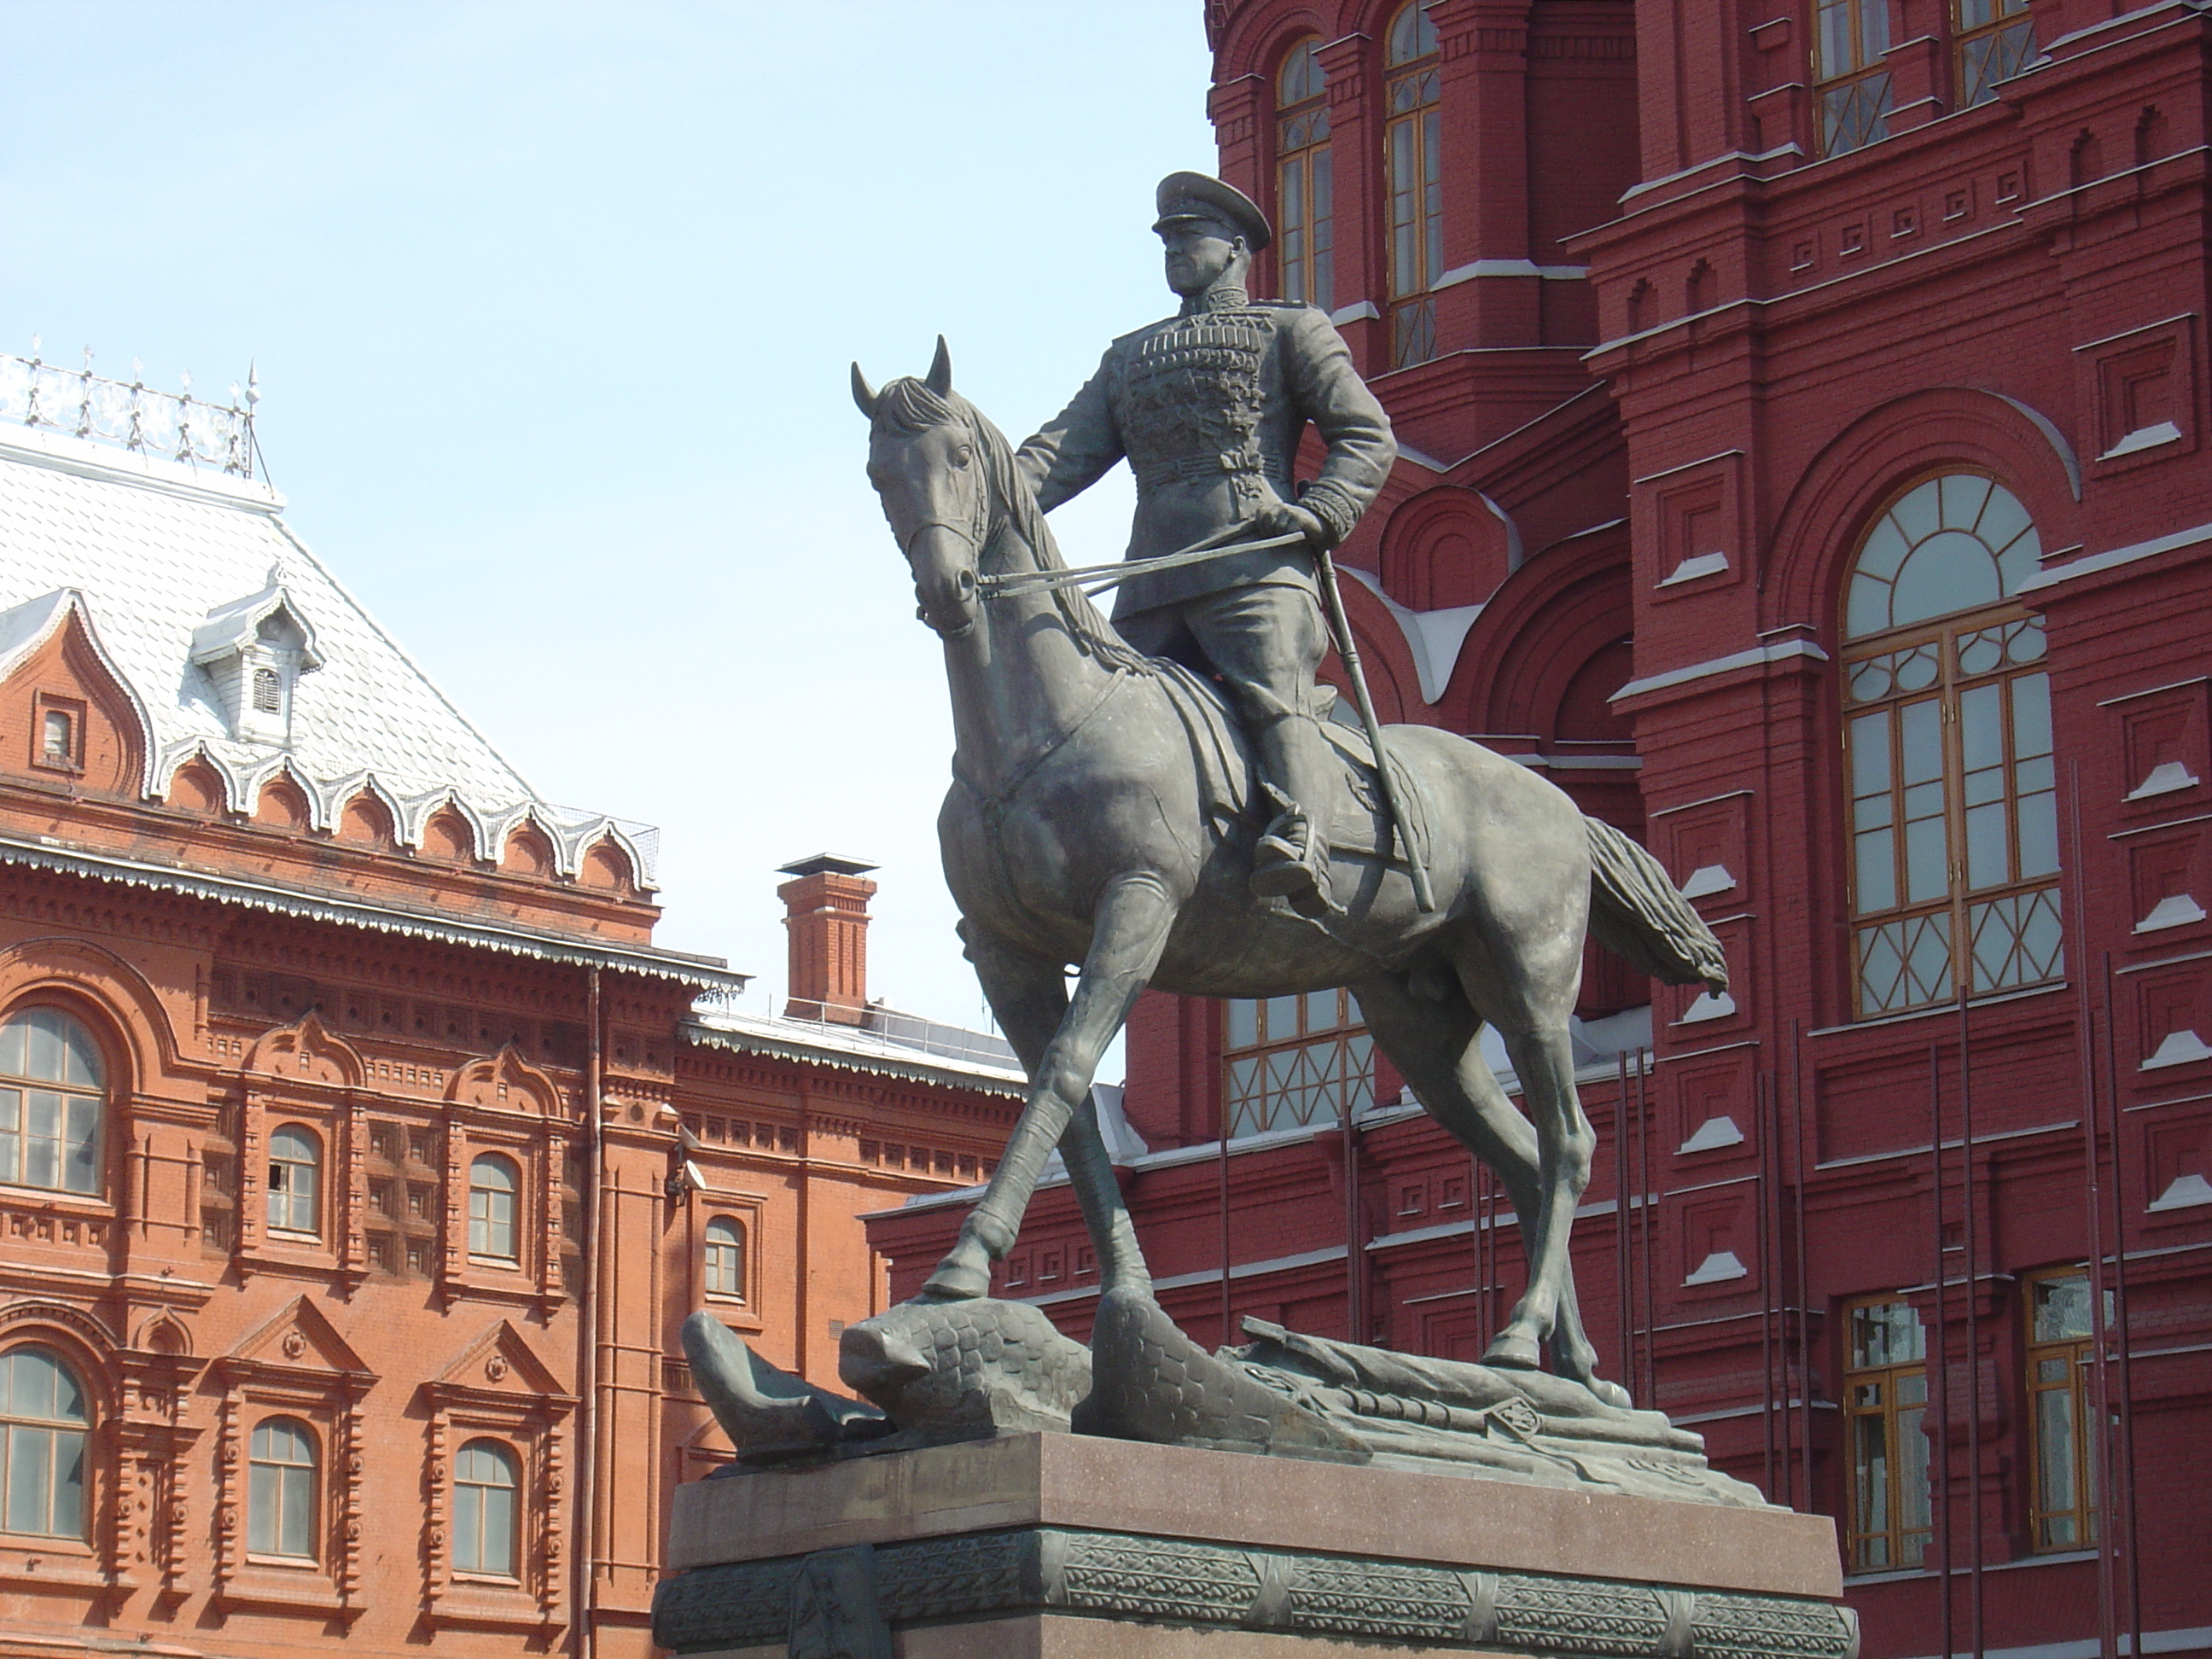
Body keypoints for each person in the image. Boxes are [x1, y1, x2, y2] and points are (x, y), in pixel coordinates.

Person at [1016, 172, 1396, 915]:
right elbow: (1060, 453)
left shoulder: (1291, 331)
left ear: (1235, 249)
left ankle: (1302, 835)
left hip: (1254, 567)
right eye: (1168, 239)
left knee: (1272, 696)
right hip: (1155, 581)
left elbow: (1366, 434)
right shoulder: (1131, 357)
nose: (1177, 250)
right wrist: (985, 500)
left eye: (1191, 236)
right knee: (1094, 716)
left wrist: (1320, 511)